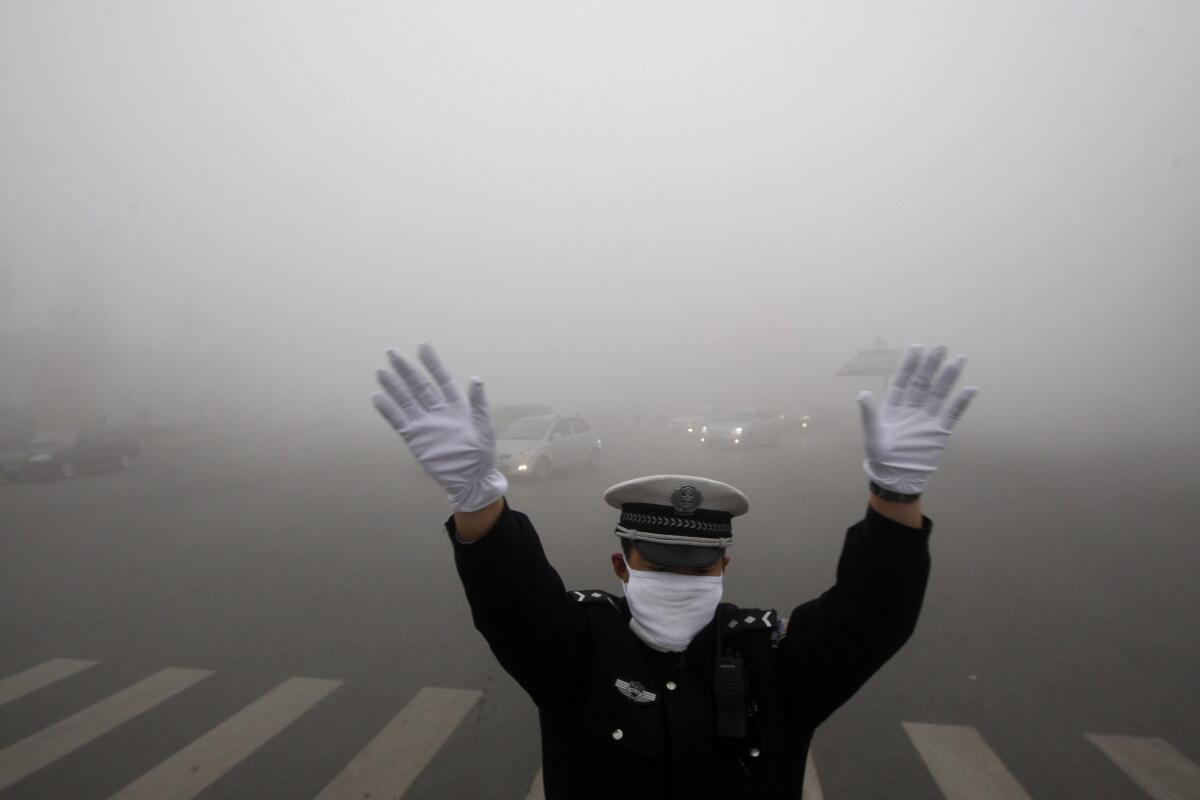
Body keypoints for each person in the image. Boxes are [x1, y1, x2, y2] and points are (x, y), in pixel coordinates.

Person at [371, 342, 977, 799]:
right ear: (621, 566)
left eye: (698, 563)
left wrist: (895, 496)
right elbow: (511, 598)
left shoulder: (773, 661)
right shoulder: (578, 651)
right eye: (659, 559)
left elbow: (873, 616)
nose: (680, 575)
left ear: (724, 568)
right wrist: (477, 500)